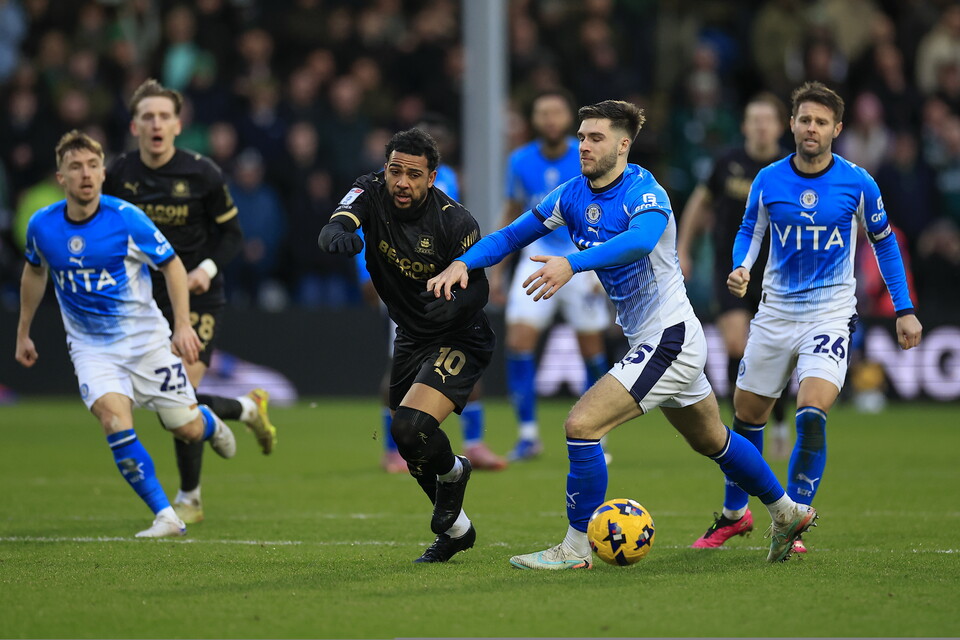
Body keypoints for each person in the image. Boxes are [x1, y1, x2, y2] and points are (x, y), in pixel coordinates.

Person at [427, 100, 817, 568]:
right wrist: (463, 263)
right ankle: (787, 512)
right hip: (656, 340)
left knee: (581, 426)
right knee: (712, 439)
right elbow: (511, 236)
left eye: (596, 138)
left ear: (623, 145)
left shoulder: (644, 191)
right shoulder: (571, 195)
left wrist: (572, 263)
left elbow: (640, 240)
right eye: (582, 136)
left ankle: (575, 549)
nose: (584, 146)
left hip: (669, 338)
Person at [691, 81, 923, 553]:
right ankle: (735, 515)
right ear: (792, 125)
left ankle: (791, 520)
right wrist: (741, 266)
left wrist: (904, 309)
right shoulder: (768, 179)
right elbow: (749, 230)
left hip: (829, 315)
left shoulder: (858, 182)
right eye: (804, 120)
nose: (811, 128)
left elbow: (884, 244)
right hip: (774, 313)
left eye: (821, 121)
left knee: (812, 414)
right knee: (746, 418)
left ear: (837, 129)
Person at [15, 131, 237, 538]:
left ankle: (210, 423)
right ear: (61, 178)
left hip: (145, 343)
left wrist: (182, 325)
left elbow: (171, 265)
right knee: (114, 420)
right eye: (76, 167)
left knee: (184, 427)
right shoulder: (42, 225)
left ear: (103, 173)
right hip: (91, 348)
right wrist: (23, 332)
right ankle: (166, 516)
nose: (86, 174)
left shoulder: (126, 218)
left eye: (93, 166)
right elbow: (34, 270)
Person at [103, 79, 277, 525]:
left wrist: (207, 269)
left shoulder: (202, 173)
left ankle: (190, 498)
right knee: (171, 405)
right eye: (147, 117)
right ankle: (246, 408)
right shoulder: (118, 175)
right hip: (144, 302)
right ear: (134, 126)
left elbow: (232, 235)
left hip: (197, 296)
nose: (156, 124)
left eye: (164, 116)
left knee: (180, 395)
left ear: (177, 125)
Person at [319, 128, 493, 563]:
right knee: (409, 441)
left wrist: (452, 308)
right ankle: (457, 530)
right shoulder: (370, 191)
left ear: (431, 178)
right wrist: (338, 234)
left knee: (410, 427)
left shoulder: (456, 222)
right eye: (395, 171)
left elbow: (479, 288)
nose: (401, 182)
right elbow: (339, 221)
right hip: (411, 336)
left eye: (413, 175)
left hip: (460, 336)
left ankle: (455, 473)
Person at [372, 115, 506, 473]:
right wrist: (365, 274)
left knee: (461, 367)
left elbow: (453, 230)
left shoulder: (447, 183)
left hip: (446, 287)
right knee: (398, 370)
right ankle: (392, 449)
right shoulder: (386, 184)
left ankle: (474, 442)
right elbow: (371, 230)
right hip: (404, 291)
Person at [492, 89, 611, 462]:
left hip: (582, 256)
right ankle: (528, 436)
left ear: (569, 120)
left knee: (591, 348)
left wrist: (604, 265)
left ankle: (598, 435)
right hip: (537, 257)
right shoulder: (520, 160)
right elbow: (512, 211)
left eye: (556, 112)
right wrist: (497, 270)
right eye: (543, 113)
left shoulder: (587, 156)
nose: (550, 119)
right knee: (518, 342)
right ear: (534, 120)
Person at [676, 92, 792, 459]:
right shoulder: (727, 163)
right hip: (732, 270)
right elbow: (700, 202)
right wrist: (684, 248)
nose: (761, 126)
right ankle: (739, 429)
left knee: (775, 354)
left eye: (767, 120)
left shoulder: (790, 167)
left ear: (780, 126)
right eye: (754, 119)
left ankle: (779, 422)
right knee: (735, 347)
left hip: (779, 274)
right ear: (744, 126)